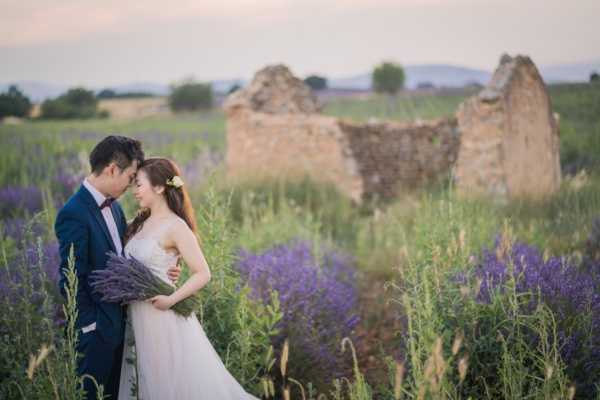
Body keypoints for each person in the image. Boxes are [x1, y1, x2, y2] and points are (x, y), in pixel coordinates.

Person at [118, 157, 259, 400]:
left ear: (160, 187)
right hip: (136, 316)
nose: (135, 191)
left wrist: (171, 299)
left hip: (162, 316)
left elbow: (203, 273)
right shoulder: (137, 224)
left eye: (139, 184)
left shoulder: (176, 226)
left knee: (168, 382)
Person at [55, 136, 181, 399]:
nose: (132, 184)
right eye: (131, 176)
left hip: (127, 326)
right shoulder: (73, 213)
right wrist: (90, 325)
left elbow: (127, 257)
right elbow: (70, 277)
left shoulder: (116, 208)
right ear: (113, 169)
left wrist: (162, 270)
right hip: (96, 333)